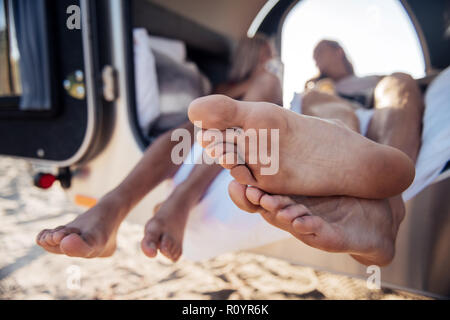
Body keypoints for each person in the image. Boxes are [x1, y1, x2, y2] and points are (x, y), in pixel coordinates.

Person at [35, 34, 283, 262]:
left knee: (242, 113)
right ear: (254, 54)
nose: (270, 57)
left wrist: (261, 82)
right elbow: (216, 98)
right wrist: (254, 78)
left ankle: (182, 197)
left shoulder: (270, 83)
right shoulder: (233, 84)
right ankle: (112, 206)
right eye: (266, 52)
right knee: (196, 124)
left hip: (251, 129)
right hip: (208, 126)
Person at [187, 40, 429, 266]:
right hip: (331, 110)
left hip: (376, 108)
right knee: (316, 94)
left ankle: (387, 211)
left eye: (319, 54)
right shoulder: (314, 85)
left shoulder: (374, 80)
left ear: (338, 52)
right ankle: (342, 154)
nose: (316, 62)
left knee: (400, 81)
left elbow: (419, 84)